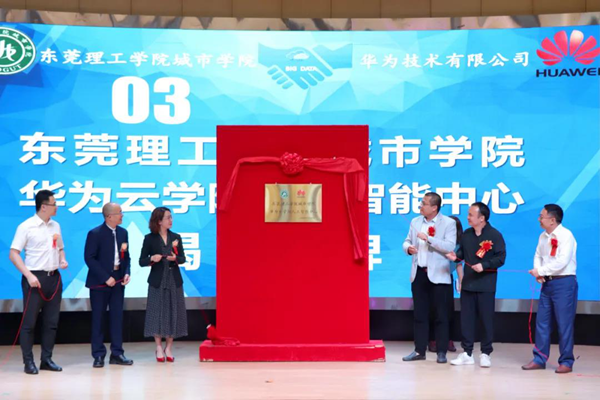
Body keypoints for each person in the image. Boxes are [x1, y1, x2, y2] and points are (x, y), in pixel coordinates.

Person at [9, 190, 68, 374]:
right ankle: (28, 362)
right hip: (34, 279)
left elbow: (60, 248)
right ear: (43, 206)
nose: (57, 207)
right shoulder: (26, 226)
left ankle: (46, 359)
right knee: (29, 323)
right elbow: (13, 254)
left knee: (51, 322)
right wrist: (28, 275)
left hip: (54, 278)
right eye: (54, 204)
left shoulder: (56, 226)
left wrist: (62, 259)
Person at [447, 202, 506, 368]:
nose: (468, 217)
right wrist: (455, 256)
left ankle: (486, 353)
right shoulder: (467, 234)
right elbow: (462, 253)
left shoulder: (495, 235)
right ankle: (467, 353)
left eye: (471, 215)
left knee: (486, 320)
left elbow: (501, 258)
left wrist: (484, 265)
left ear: (482, 218)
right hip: (468, 284)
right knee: (466, 319)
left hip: (486, 285)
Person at [522, 204, 578, 374]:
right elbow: (538, 255)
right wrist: (538, 272)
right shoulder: (543, 236)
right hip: (548, 283)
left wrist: (542, 271)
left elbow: (562, 261)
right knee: (542, 322)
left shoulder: (566, 235)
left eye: (542, 216)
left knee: (564, 323)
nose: (539, 219)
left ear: (552, 220)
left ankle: (566, 361)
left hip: (564, 283)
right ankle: (539, 359)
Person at [402, 192, 456, 364]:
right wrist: (408, 248)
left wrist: (429, 239)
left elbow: (449, 246)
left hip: (439, 275)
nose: (420, 205)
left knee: (441, 315)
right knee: (419, 314)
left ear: (434, 207)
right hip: (419, 273)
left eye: (424, 203)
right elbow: (407, 240)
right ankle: (419, 350)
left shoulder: (448, 223)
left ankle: (441, 351)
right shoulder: (415, 221)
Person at [84, 203, 133, 368]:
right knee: (98, 319)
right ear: (109, 216)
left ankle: (117, 353)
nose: (122, 215)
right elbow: (89, 258)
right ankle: (98, 355)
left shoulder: (123, 233)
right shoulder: (95, 233)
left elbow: (126, 256)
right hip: (100, 283)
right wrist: (105, 277)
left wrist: (126, 272)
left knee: (117, 318)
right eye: (120, 213)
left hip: (118, 282)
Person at [140, 207, 188, 362]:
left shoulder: (176, 237)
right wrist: (152, 258)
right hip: (158, 281)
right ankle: (159, 347)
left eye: (171, 217)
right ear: (159, 221)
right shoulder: (150, 238)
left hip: (174, 279)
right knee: (157, 312)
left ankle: (169, 347)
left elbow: (183, 258)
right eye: (168, 217)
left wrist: (176, 259)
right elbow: (142, 261)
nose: (171, 220)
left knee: (173, 311)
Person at [428, 215, 464, 353]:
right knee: (433, 310)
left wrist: (461, 281)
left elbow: (458, 264)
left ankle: (448, 339)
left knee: (448, 311)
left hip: (446, 277)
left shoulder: (459, 245)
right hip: (432, 276)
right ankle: (433, 340)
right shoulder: (437, 241)